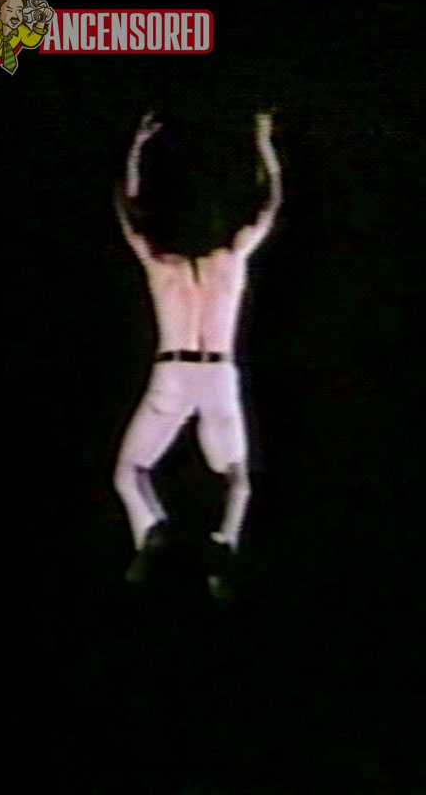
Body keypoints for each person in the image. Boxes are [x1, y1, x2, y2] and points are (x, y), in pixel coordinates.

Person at [113, 111, 282, 587]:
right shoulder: (233, 258)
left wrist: (135, 149)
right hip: (218, 376)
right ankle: (224, 544)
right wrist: (265, 144)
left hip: (172, 374)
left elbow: (128, 212)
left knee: (128, 472)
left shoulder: (160, 265)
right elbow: (269, 206)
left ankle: (152, 536)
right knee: (238, 479)